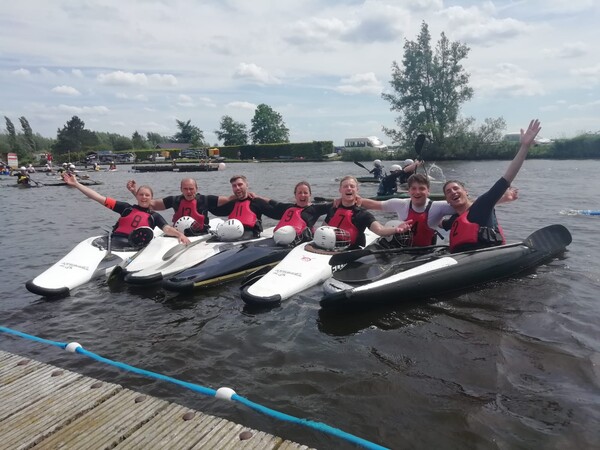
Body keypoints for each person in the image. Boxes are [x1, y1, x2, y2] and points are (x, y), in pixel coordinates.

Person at [442, 119, 541, 253]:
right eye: (448, 192)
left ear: (466, 192)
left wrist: (524, 147)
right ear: (447, 200)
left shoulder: (483, 205)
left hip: (485, 256)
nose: (453, 192)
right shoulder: (454, 220)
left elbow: (506, 179)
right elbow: (435, 222)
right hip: (461, 260)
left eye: (456, 188)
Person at [63, 172, 190, 245]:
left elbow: (166, 228)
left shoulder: (154, 216)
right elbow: (98, 197)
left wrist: (179, 234)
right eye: (141, 194)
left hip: (133, 246)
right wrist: (77, 184)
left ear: (151, 197)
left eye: (147, 195)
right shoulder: (125, 208)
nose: (144, 197)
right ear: (137, 196)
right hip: (113, 240)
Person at [321, 175, 413, 249]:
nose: (349, 188)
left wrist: (396, 230)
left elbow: (380, 230)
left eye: (352, 186)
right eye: (345, 186)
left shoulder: (362, 214)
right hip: (327, 248)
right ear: (340, 190)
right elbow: (323, 228)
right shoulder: (333, 208)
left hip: (350, 251)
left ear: (357, 190)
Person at [127, 177, 233, 234]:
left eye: (191, 189)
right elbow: (151, 204)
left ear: (196, 189)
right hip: (178, 234)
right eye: (185, 189)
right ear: (181, 189)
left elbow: (228, 199)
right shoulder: (174, 200)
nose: (189, 192)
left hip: (200, 235)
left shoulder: (205, 199)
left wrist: (246, 194)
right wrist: (134, 191)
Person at [210, 175, 281, 239]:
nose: (237, 188)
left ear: (246, 185)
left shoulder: (257, 202)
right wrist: (228, 198)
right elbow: (214, 209)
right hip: (231, 237)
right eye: (234, 186)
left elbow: (276, 213)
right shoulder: (231, 203)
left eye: (240, 185)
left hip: (250, 236)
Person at [262, 181, 331, 245]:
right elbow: (274, 203)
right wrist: (257, 197)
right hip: (280, 237)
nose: (302, 195)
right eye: (300, 192)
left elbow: (332, 206)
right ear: (295, 195)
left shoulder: (315, 209)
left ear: (310, 195)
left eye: (305, 193)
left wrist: (338, 200)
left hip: (300, 241)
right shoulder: (288, 207)